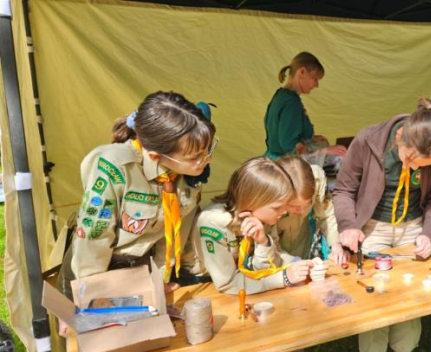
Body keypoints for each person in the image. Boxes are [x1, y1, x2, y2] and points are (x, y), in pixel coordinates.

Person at [58, 91, 217, 301]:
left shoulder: (186, 172)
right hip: (95, 273)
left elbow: (175, 230)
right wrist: (92, 300)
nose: (206, 160)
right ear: (155, 156)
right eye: (195, 157)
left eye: (208, 150)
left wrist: (159, 281)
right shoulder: (112, 167)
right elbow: (94, 237)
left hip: (141, 271)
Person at [333, 98, 431, 352]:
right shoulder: (368, 140)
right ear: (400, 136)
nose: (414, 167)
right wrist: (348, 226)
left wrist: (429, 234)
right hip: (374, 226)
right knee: (375, 296)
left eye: (424, 165)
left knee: (409, 295)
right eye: (410, 158)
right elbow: (343, 190)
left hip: (413, 227)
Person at [193, 157, 317, 294]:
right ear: (253, 200)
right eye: (277, 207)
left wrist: (297, 263)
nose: (284, 212)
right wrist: (283, 278)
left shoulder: (263, 216)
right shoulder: (213, 223)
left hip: (248, 283)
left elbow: (265, 265)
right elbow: (227, 283)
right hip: (203, 285)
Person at [264, 51, 346, 159]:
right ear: (302, 72)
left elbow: (283, 134)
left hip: (273, 160)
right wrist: (324, 151)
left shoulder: (281, 95)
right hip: (284, 167)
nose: (316, 85)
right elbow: (290, 148)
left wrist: (310, 139)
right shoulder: (291, 103)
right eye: (315, 79)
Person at [276, 156, 347, 263]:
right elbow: (267, 246)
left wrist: (336, 245)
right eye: (294, 207)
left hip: (301, 245)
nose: (300, 211)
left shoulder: (316, 179)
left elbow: (326, 214)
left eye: (306, 204)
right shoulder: (270, 190)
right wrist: (293, 263)